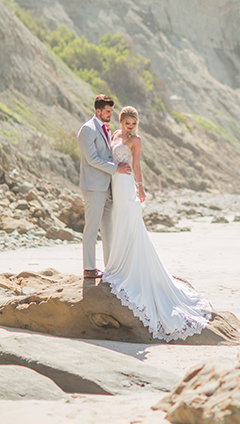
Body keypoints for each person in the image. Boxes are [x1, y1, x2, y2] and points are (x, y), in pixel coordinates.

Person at [102, 105, 212, 341]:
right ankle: (116, 264)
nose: (130, 127)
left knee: (131, 226)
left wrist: (141, 188)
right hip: (114, 186)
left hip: (127, 187)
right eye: (127, 123)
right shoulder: (114, 135)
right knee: (117, 223)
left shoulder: (136, 140)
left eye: (134, 124)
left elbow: (138, 165)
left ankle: (129, 268)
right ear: (121, 121)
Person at [78, 94, 132, 279]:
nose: (111, 114)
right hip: (93, 187)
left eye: (111, 111)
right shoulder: (87, 129)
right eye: (108, 111)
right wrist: (116, 168)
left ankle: (111, 268)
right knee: (92, 229)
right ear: (98, 110)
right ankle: (89, 268)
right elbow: (92, 159)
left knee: (109, 229)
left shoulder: (106, 129)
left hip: (108, 187)